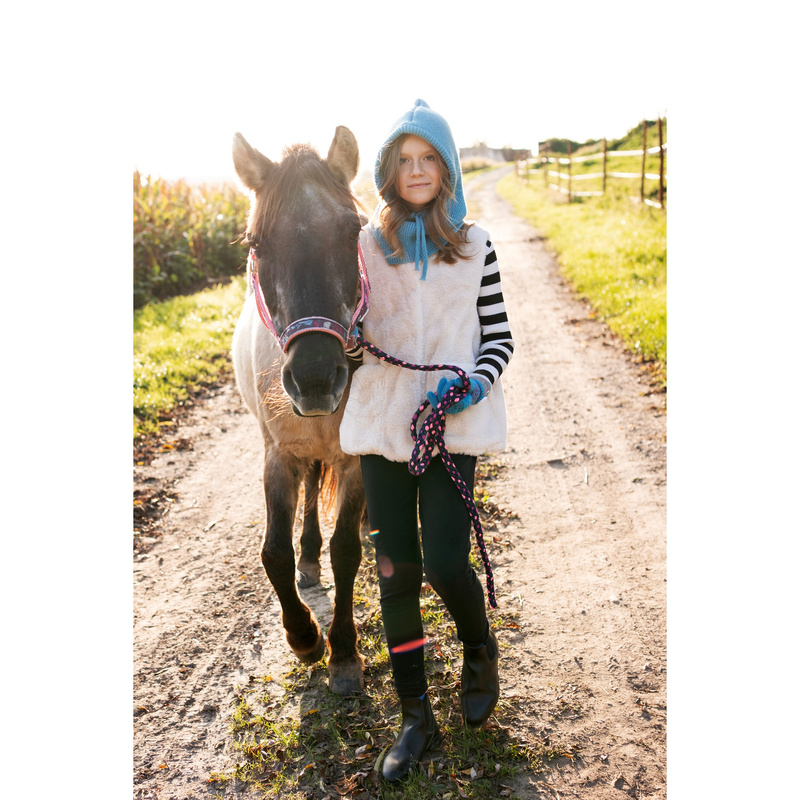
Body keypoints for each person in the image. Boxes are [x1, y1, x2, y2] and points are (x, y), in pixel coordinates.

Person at [340, 99, 514, 782]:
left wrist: (474, 383)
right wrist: (350, 347)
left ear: (446, 169)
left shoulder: (476, 246)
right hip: (382, 428)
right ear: (388, 171)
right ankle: (415, 717)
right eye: (403, 160)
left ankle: (478, 645)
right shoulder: (362, 248)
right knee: (394, 573)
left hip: (450, 426)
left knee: (444, 560)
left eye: (427, 159)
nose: (416, 170)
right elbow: (348, 337)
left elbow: (497, 337)